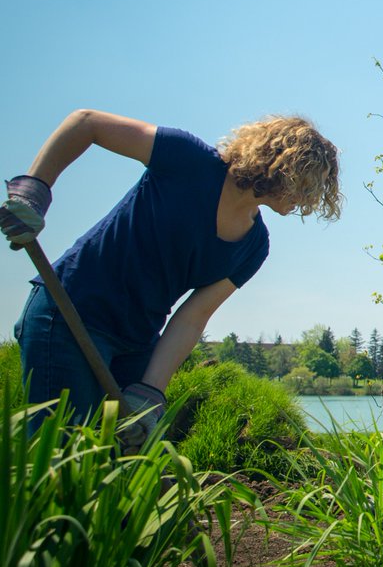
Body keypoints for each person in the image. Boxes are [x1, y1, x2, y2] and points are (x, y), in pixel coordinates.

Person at [2, 109, 341, 444]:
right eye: (311, 185)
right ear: (286, 169)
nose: (309, 200)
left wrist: (150, 392)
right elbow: (87, 123)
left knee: (118, 470)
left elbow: (192, 319)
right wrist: (34, 190)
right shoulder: (187, 159)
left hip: (135, 341)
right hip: (69, 313)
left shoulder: (254, 247)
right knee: (61, 455)